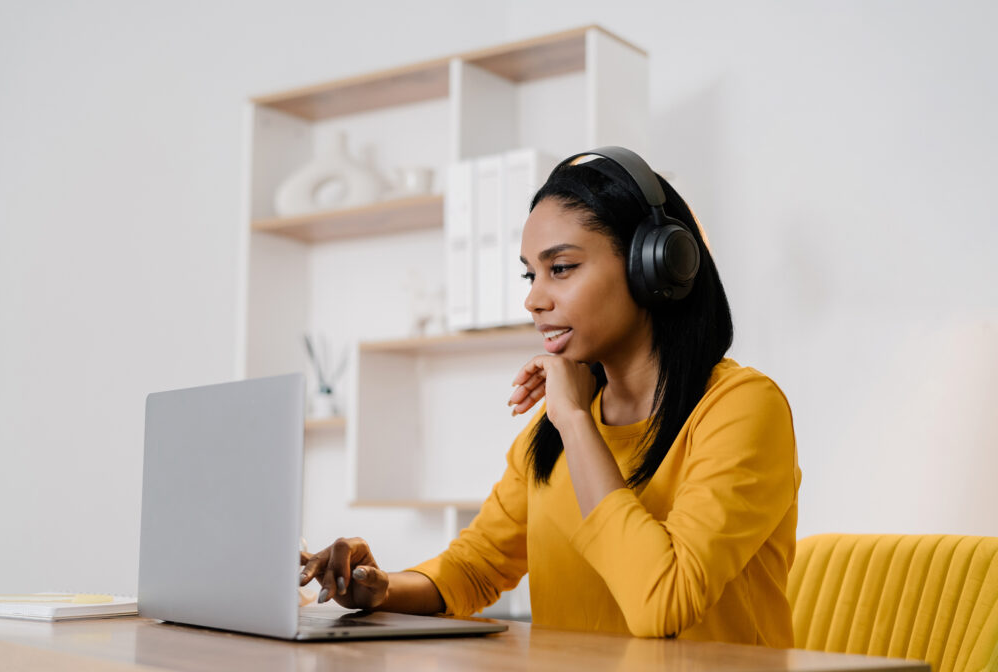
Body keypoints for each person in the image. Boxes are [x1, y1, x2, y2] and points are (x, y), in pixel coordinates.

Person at [300, 147, 801, 646]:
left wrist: (574, 419)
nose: (533, 299)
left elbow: (661, 602)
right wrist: (379, 589)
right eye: (529, 274)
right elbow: (473, 569)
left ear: (652, 268)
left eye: (560, 267)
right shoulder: (558, 428)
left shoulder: (741, 409)